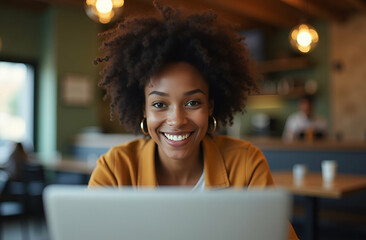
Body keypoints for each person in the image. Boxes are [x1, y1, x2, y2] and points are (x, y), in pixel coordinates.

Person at [89, 2, 298, 239]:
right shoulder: (115, 169)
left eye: (192, 103)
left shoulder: (247, 165)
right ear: (143, 109)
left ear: (210, 105)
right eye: (159, 104)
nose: (177, 120)